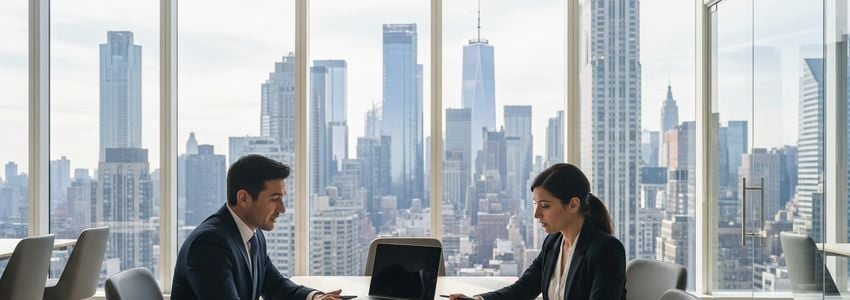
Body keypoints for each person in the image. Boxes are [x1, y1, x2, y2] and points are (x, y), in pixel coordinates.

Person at [171, 154, 343, 300]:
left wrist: (315, 297)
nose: (282, 209)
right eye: (274, 198)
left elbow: (275, 285)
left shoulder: (254, 235)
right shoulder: (209, 243)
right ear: (244, 198)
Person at [449, 163, 626, 300]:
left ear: (573, 204)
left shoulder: (607, 250)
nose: (536, 214)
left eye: (545, 206)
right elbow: (522, 290)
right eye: (536, 205)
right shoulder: (553, 243)